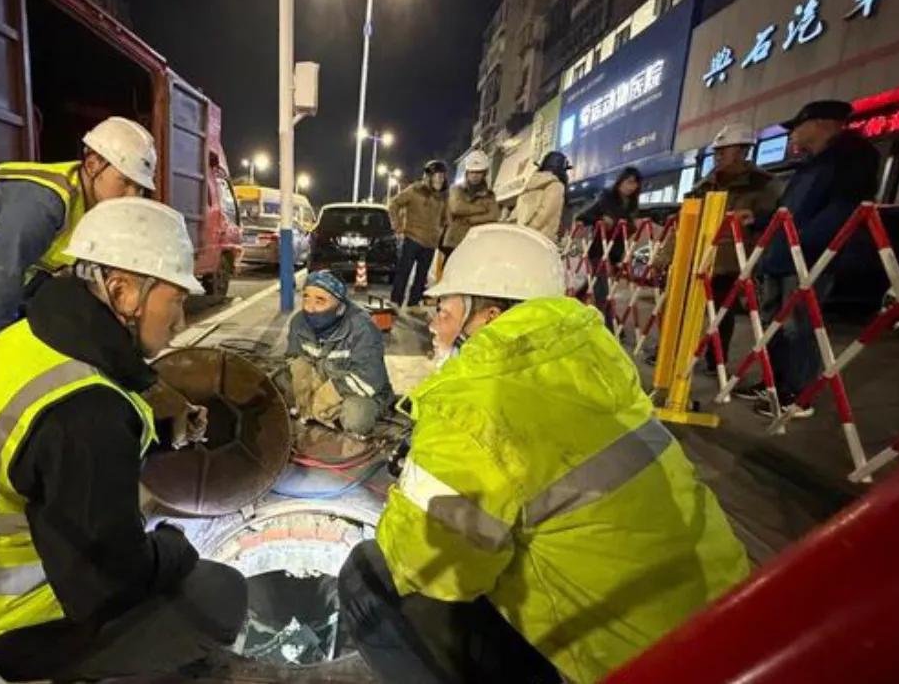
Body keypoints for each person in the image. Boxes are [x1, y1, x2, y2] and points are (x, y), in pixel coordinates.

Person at [339, 223, 749, 684]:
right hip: (729, 636)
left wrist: (417, 482)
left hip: (619, 667)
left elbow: (425, 570)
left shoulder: (477, 404)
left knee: (368, 578)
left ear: (488, 317)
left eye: (444, 309)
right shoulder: (594, 366)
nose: (434, 323)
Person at [0, 198, 246, 682]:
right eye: (175, 300)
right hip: (7, 626)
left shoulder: (30, 335)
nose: (179, 321)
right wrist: (175, 546)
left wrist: (158, 433)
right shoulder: (87, 412)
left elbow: (49, 452)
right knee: (219, 592)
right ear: (123, 292)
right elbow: (108, 581)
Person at [0, 116, 157, 378]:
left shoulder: (98, 205)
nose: (132, 196)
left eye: (139, 188)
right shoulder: (44, 204)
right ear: (92, 165)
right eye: (124, 182)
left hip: (9, 255)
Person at [734, 100, 880, 419]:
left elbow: (842, 212)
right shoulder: (810, 164)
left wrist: (800, 245)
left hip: (807, 258)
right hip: (780, 255)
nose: (793, 136)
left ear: (821, 124)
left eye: (797, 127)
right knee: (773, 324)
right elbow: (786, 210)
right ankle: (773, 383)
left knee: (799, 326)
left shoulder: (853, 159)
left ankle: (799, 394)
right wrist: (758, 221)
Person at [656, 124, 782, 373]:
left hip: (731, 262)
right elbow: (684, 221)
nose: (719, 156)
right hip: (697, 258)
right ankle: (673, 355)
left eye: (724, 151)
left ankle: (717, 362)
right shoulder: (706, 184)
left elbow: (775, 223)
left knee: (721, 314)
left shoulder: (764, 184)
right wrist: (665, 256)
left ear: (742, 151)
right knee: (680, 309)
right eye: (717, 152)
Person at [284, 270, 394, 436]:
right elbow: (294, 356)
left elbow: (370, 378)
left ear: (340, 306)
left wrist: (327, 396)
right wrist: (303, 383)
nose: (310, 308)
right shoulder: (299, 322)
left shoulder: (362, 328)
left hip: (362, 391)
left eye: (320, 300)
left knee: (356, 416)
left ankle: (329, 414)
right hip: (322, 380)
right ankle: (318, 413)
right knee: (274, 387)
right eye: (306, 298)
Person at [577, 166, 642, 330]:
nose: (631, 186)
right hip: (599, 251)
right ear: (620, 181)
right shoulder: (607, 197)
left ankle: (571, 305)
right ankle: (608, 329)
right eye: (628, 182)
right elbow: (585, 216)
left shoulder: (632, 205)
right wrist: (601, 219)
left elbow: (631, 228)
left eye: (635, 184)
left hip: (615, 253)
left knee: (589, 288)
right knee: (602, 293)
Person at [389, 160, 449, 311]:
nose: (440, 180)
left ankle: (414, 303)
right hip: (412, 238)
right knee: (403, 272)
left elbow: (445, 218)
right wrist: (397, 226)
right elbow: (394, 204)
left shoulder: (443, 197)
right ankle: (396, 301)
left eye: (442, 176)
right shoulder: (415, 190)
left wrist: (442, 231)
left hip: (430, 243)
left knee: (421, 276)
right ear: (428, 176)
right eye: (437, 176)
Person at [440, 150, 500, 260]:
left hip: (477, 243)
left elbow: (493, 215)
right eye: (472, 172)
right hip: (454, 242)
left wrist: (471, 219)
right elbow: (456, 208)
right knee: (450, 274)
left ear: (484, 173)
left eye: (478, 172)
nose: (475, 176)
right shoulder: (456, 189)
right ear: (467, 172)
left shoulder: (489, 195)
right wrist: (482, 209)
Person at [513, 151, 571, 240]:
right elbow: (546, 213)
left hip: (520, 236)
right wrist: (529, 231)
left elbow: (517, 212)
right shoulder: (556, 186)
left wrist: (521, 231)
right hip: (540, 239)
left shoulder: (530, 184)